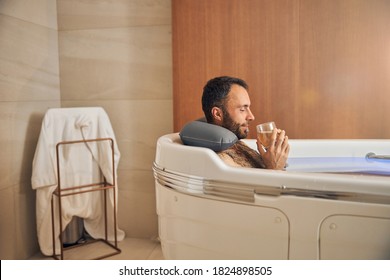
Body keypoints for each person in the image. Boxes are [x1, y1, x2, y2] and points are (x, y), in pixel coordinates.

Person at [201, 76, 289, 170]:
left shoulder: (237, 145)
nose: (251, 117)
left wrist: (272, 153)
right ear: (218, 114)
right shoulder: (221, 162)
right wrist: (274, 167)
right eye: (242, 109)